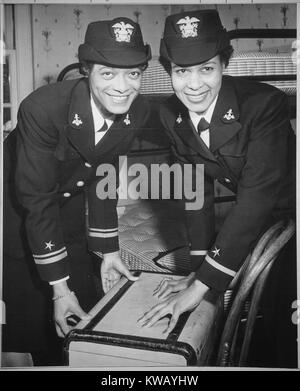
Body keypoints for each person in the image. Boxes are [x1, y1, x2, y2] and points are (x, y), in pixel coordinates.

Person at [138, 10, 297, 367]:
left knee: (284, 322)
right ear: (169, 72)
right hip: (263, 221)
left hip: (292, 214)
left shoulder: (264, 105)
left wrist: (202, 285)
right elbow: (195, 193)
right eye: (181, 71)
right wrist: (199, 269)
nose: (194, 84)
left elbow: (257, 196)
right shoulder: (169, 115)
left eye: (206, 69)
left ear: (225, 65)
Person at [2, 17, 151, 366]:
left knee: (79, 313)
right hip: (15, 207)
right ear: (86, 71)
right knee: (28, 322)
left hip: (68, 200)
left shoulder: (137, 111)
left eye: (134, 74)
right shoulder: (42, 108)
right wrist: (58, 287)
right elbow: (36, 200)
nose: (123, 87)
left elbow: (104, 173)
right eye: (108, 73)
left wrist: (108, 250)